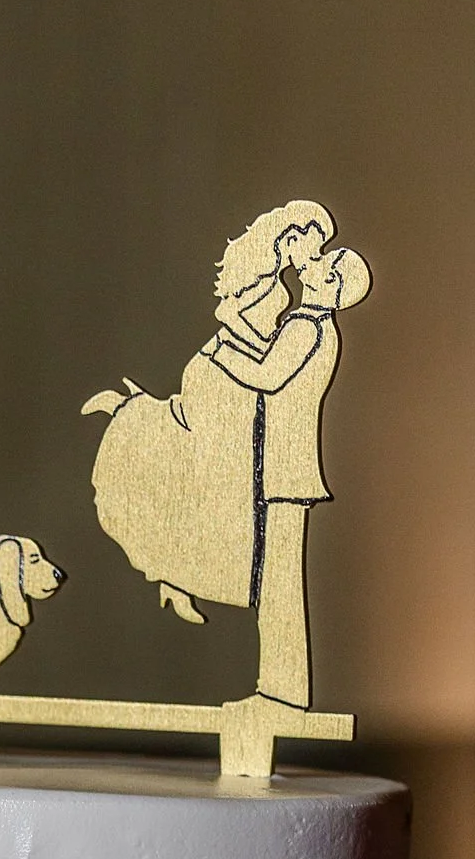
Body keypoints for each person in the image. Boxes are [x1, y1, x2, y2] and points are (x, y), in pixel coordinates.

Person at [85, 209, 367, 705]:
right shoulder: (303, 322)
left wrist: (221, 352)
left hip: (282, 472)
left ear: (334, 285)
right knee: (276, 584)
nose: (315, 262)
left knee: (280, 588)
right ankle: (279, 690)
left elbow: (267, 375)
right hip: (279, 470)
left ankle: (281, 694)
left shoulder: (310, 327)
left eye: (327, 262)